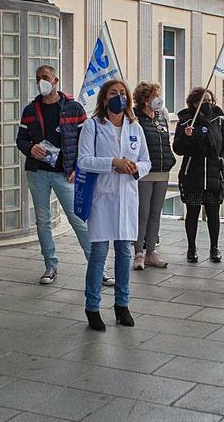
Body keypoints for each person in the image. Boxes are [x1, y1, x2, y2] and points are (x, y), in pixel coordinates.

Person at [77, 80, 151, 331]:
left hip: (126, 197)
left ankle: (122, 305)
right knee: (98, 254)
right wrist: (113, 163)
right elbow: (84, 161)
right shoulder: (92, 126)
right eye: (113, 94)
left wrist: (134, 168)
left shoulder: (134, 127)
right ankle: (92, 307)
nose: (118, 97)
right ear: (104, 99)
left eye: (122, 93)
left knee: (124, 252)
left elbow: (146, 161)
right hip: (102, 198)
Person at [16, 65, 99, 285]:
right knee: (42, 221)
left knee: (78, 220)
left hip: (65, 174)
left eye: (45, 77)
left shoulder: (74, 108)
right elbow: (21, 139)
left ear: (56, 80)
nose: (41, 82)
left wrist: (78, 169)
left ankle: (97, 266)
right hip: (38, 173)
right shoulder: (30, 110)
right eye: (38, 79)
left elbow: (87, 142)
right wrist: (30, 148)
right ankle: (50, 266)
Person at [172, 87, 224, 263]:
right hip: (192, 175)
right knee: (192, 212)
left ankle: (214, 248)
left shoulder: (219, 122)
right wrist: (186, 136)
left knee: (213, 212)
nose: (208, 104)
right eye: (203, 101)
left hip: (214, 175)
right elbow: (178, 149)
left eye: (210, 100)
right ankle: (191, 248)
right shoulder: (185, 122)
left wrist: (223, 160)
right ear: (194, 103)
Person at [132, 80, 175, 270]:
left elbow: (165, 141)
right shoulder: (135, 118)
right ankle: (139, 252)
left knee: (156, 213)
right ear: (145, 99)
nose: (158, 99)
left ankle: (151, 251)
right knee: (143, 213)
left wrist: (170, 159)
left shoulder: (161, 117)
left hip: (162, 170)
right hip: (144, 172)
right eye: (154, 96)